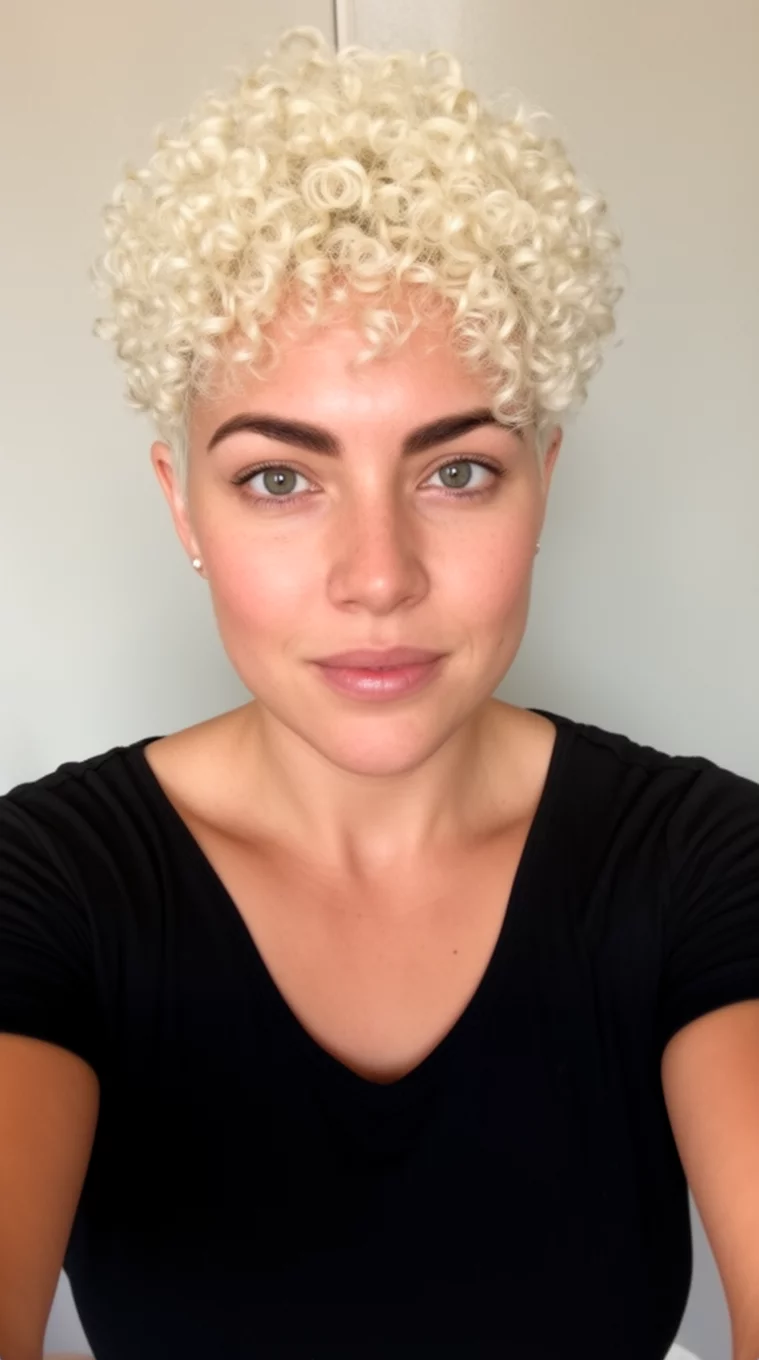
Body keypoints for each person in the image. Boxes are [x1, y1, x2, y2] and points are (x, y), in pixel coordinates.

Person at [1, 23, 757, 1360]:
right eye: (278, 478)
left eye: (456, 471)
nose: (377, 577)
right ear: (182, 506)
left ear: (543, 482)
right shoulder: (47, 889)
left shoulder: (702, 864)